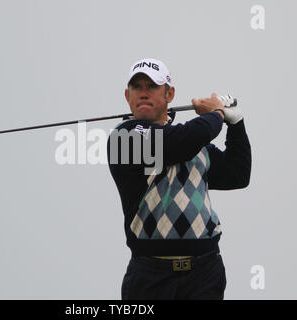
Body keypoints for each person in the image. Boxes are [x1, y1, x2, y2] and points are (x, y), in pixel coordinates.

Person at [107, 58, 251, 300]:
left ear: (169, 94)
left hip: (204, 273)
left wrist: (236, 124)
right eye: (137, 87)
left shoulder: (195, 144)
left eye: (152, 87)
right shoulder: (124, 138)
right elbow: (178, 142)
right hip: (150, 277)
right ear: (127, 96)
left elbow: (237, 175)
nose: (143, 93)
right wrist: (217, 112)